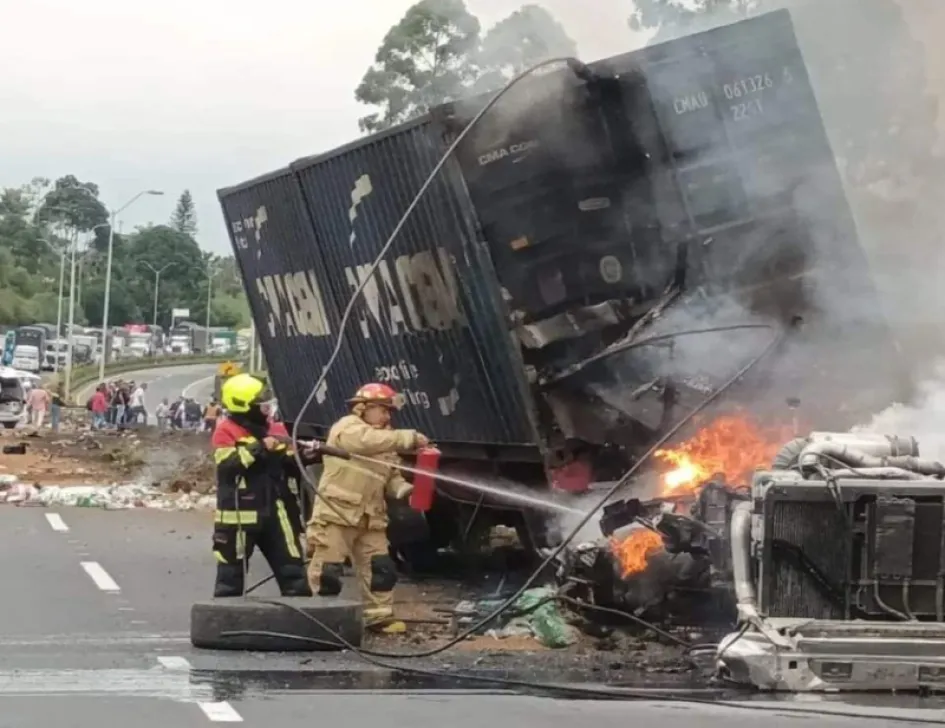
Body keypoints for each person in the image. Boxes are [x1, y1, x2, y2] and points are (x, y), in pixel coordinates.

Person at [306, 383, 429, 635]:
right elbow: (364, 442)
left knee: (380, 568)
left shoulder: (385, 439)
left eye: (389, 412)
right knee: (328, 569)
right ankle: (321, 619)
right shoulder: (348, 428)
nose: (387, 416)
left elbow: (391, 476)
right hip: (337, 512)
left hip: (371, 516)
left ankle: (378, 617)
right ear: (362, 408)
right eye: (382, 410)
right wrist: (410, 438)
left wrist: (407, 490)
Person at [211, 373, 323, 597]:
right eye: (260, 403)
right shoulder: (226, 430)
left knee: (292, 568)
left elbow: (287, 461)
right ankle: (229, 622)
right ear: (244, 404)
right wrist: (260, 447)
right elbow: (228, 466)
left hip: (277, 511)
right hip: (240, 516)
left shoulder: (274, 428)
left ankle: (301, 621)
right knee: (231, 577)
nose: (266, 408)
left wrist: (308, 455)